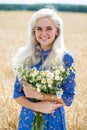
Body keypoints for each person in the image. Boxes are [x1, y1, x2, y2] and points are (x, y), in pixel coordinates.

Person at [13, 7, 76, 130]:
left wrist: (41, 96)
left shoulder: (66, 58)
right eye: (39, 29)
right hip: (28, 119)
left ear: (57, 31)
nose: (43, 34)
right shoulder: (26, 57)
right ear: (34, 31)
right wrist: (36, 106)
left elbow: (68, 98)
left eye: (49, 28)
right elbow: (17, 94)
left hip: (54, 118)